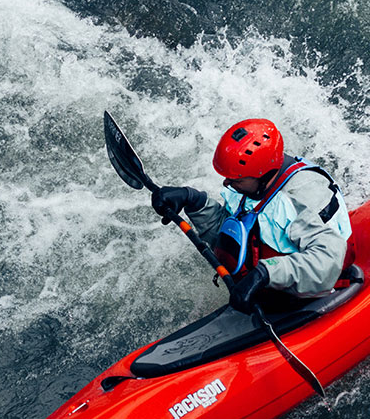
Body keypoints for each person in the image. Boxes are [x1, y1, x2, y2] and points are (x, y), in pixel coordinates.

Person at [152, 118, 354, 314]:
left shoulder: (301, 199)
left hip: (311, 297)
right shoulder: (251, 187)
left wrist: (265, 273)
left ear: (262, 174)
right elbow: (233, 236)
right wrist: (194, 201)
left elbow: (328, 260)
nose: (227, 184)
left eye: (235, 180)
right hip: (266, 293)